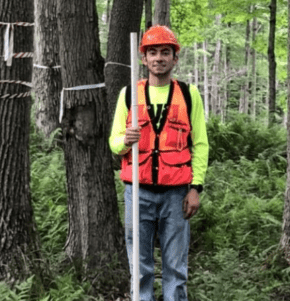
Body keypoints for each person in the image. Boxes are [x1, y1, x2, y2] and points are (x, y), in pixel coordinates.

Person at [109, 25, 209, 301]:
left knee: (175, 267)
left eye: (165, 52)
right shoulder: (129, 94)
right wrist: (125, 140)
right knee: (139, 267)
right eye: (152, 52)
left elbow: (200, 144)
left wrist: (195, 188)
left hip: (176, 194)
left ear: (175, 59)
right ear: (144, 59)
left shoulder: (189, 95)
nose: (158, 58)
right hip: (137, 192)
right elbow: (114, 142)